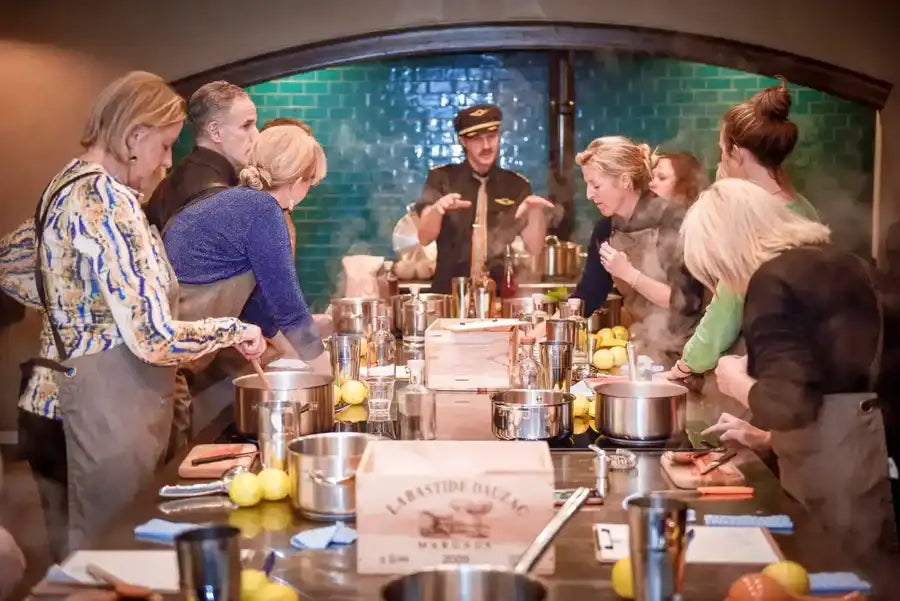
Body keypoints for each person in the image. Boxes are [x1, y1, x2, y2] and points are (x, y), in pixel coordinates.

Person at [0, 71, 265, 558]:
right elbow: (152, 338)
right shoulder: (106, 200)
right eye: (163, 146)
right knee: (116, 552)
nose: (167, 162)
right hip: (111, 404)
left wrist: (76, 305)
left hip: (73, 394)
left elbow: (15, 265)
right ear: (133, 137)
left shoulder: (65, 184)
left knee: (87, 552)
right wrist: (232, 329)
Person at [685, 178, 895, 559]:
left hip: (831, 475)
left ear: (727, 249)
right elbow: (829, 381)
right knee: (864, 571)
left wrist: (737, 382)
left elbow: (790, 403)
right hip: (865, 454)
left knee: (831, 571)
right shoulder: (841, 262)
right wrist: (766, 439)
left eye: (717, 269)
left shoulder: (772, 281)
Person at [666, 80, 819, 381]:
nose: (720, 159)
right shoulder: (805, 208)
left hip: (761, 367)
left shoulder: (750, 220)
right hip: (806, 360)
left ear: (736, 153)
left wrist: (686, 364)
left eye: (722, 150)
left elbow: (727, 309)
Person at [164, 124, 328, 373]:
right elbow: (289, 308)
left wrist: (292, 350)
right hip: (175, 346)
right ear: (297, 183)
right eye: (311, 183)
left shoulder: (240, 201)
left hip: (174, 347)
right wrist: (326, 372)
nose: (309, 189)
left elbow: (256, 303)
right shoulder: (264, 211)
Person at [570, 136, 704, 363]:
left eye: (596, 185)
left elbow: (686, 301)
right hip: (647, 349)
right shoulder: (606, 229)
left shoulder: (674, 220)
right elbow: (589, 294)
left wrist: (629, 274)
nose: (589, 194)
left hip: (691, 355)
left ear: (624, 181)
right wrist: (546, 327)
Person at [415, 104, 553, 294]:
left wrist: (535, 212)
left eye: (491, 136)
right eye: (477, 139)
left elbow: (535, 247)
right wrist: (437, 209)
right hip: (450, 295)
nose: (487, 146)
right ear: (463, 141)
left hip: (498, 295)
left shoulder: (516, 185)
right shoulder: (442, 179)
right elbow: (424, 237)